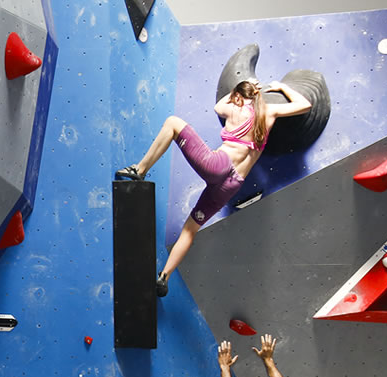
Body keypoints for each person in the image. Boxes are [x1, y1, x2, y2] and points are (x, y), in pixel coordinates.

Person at [116, 79, 311, 296]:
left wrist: (237, 88)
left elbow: (218, 106)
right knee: (191, 229)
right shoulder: (269, 112)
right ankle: (164, 277)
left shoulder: (234, 108)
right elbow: (305, 105)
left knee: (172, 122)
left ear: (238, 96)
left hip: (217, 166)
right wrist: (281, 86)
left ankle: (140, 170)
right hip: (232, 185)